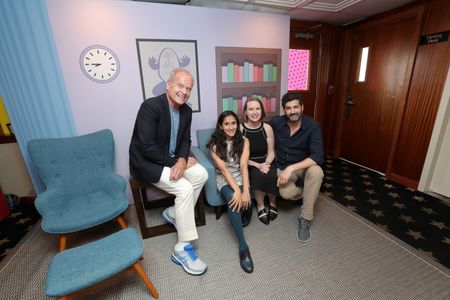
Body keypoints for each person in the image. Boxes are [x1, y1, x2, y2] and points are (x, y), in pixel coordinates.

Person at [129, 68, 209, 275]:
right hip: (147, 163)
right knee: (183, 188)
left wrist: (182, 159)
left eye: (188, 88)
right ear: (169, 85)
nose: (184, 92)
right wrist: (177, 162)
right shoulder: (150, 107)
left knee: (201, 174)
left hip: (171, 159)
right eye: (180, 86)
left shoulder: (187, 111)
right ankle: (182, 248)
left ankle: (174, 213)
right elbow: (146, 147)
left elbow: (185, 140)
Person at [269, 91, 324, 242]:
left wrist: (291, 168)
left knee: (317, 172)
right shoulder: (276, 123)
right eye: (288, 108)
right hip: (282, 165)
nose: (292, 111)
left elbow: (318, 156)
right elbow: (258, 126)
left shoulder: (313, 126)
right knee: (286, 194)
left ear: (302, 107)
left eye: (295, 107)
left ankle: (305, 218)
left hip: (302, 166)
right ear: (284, 110)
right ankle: (309, 192)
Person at [207, 110, 254, 273]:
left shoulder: (245, 141)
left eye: (233, 123)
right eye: (226, 123)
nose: (231, 127)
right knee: (234, 201)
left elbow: (243, 167)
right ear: (221, 126)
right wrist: (238, 192)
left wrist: (246, 190)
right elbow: (225, 171)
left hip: (241, 176)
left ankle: (246, 210)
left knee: (248, 200)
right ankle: (243, 247)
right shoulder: (214, 146)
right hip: (225, 179)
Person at [241, 97, 278, 225]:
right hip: (249, 163)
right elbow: (241, 157)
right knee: (257, 175)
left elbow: (272, 152)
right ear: (245, 112)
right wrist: (258, 165)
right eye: (251, 109)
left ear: (262, 111)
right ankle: (261, 206)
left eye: (257, 108)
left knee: (272, 173)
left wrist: (266, 165)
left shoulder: (267, 128)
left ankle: (273, 203)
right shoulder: (241, 130)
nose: (255, 112)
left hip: (267, 160)